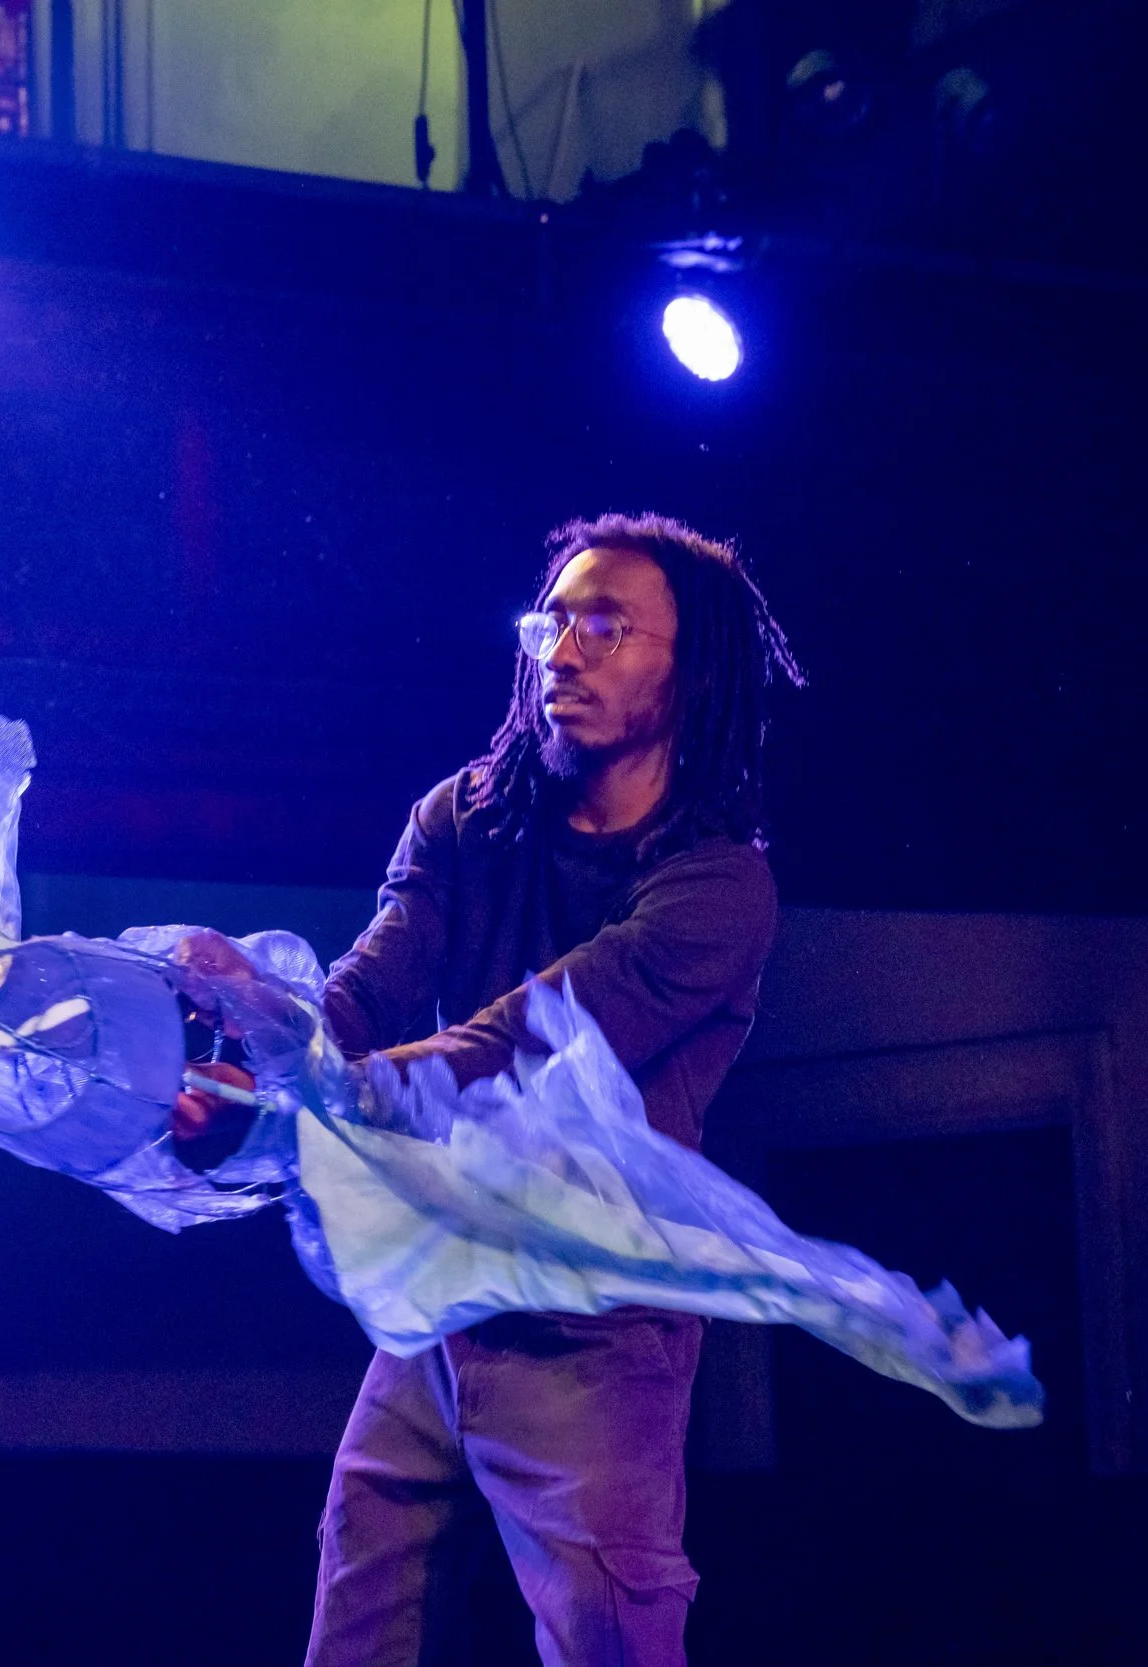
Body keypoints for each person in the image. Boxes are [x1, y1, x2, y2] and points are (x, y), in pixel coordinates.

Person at [176, 513, 801, 1667]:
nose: (560, 653)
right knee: (358, 1621)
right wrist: (259, 1042)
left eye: (604, 627)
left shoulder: (715, 889)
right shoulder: (464, 817)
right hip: (445, 1289)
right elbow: (369, 986)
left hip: (592, 1329)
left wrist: (310, 1094)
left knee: (607, 1639)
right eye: (549, 622)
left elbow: (520, 1043)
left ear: (693, 669)